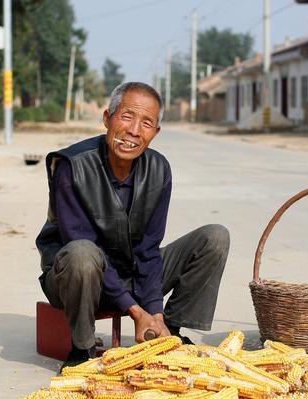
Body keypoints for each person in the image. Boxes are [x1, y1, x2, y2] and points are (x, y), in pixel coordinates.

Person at [36, 82, 229, 369]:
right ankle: (82, 347)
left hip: (131, 274)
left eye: (147, 123)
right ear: (107, 118)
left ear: (156, 132)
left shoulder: (159, 169)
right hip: (77, 278)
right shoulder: (72, 166)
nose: (134, 131)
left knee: (214, 237)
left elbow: (148, 250)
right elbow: (82, 246)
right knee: (82, 253)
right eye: (127, 117)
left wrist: (155, 315)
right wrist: (137, 312)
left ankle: (170, 332)